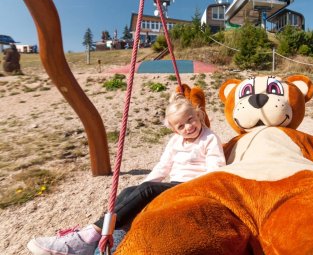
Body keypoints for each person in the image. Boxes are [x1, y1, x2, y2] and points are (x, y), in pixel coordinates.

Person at [27, 91, 225, 255]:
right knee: (130, 191)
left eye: (190, 119)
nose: (188, 127)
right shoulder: (175, 142)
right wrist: (141, 188)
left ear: (198, 115)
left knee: (146, 190)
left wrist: (148, 189)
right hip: (174, 184)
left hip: (193, 187)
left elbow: (215, 168)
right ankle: (100, 234)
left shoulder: (209, 139)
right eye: (181, 125)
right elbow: (162, 167)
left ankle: (87, 237)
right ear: (175, 130)